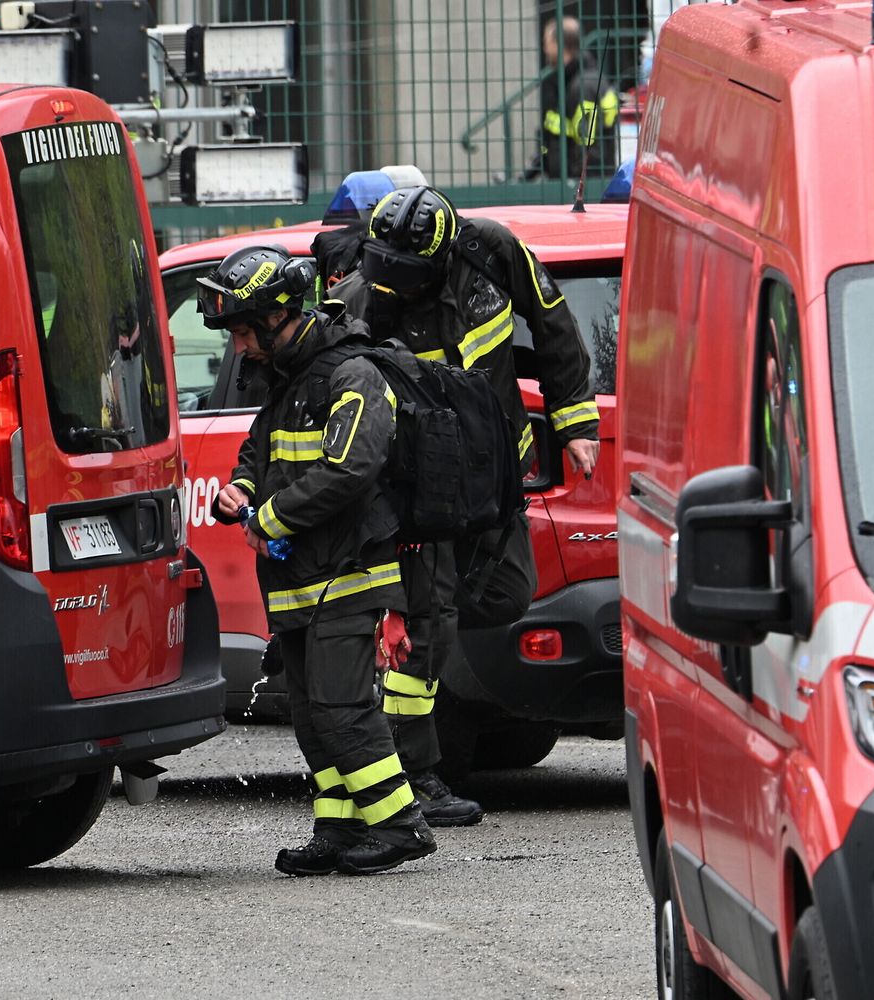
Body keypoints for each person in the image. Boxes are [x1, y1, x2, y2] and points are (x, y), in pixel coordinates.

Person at [330, 186, 600, 826]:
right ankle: (414, 770)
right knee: (430, 618)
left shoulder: (491, 251)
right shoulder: (362, 298)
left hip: (494, 473)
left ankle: (424, 631)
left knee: (510, 592)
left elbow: (553, 322)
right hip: (421, 489)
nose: (392, 281)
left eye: (406, 271)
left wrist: (574, 420)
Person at [199, 244, 438, 877]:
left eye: (243, 331)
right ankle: (337, 829)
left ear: (279, 316)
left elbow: (350, 468)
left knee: (342, 709)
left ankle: (401, 825)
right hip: (300, 583)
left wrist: (270, 517)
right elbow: (259, 453)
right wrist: (240, 493)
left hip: (349, 576)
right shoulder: (284, 380)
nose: (238, 347)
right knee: (311, 718)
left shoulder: (352, 375)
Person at [528, 16, 620, 181]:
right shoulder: (566, 82)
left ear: (560, 44)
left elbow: (589, 145)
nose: (545, 49)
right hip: (567, 180)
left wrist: (578, 183)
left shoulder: (582, 86)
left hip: (582, 183)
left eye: (547, 43)